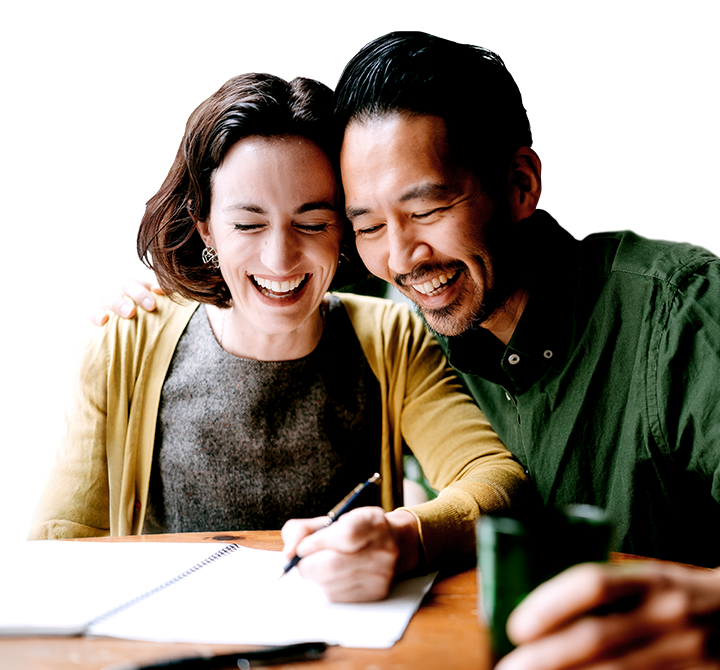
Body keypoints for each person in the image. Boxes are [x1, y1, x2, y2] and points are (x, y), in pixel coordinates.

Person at [92, 32, 720, 666]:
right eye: (365, 225)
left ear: (520, 183)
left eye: (429, 208)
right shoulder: (408, 297)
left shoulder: (680, 315)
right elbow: (273, 263)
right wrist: (148, 283)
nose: (400, 257)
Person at [29, 71, 531, 604]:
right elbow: (54, 552)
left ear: (343, 228)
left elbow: (496, 481)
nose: (280, 259)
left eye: (312, 223)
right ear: (205, 228)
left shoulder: (391, 337)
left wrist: (402, 535)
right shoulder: (121, 333)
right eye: (248, 224)